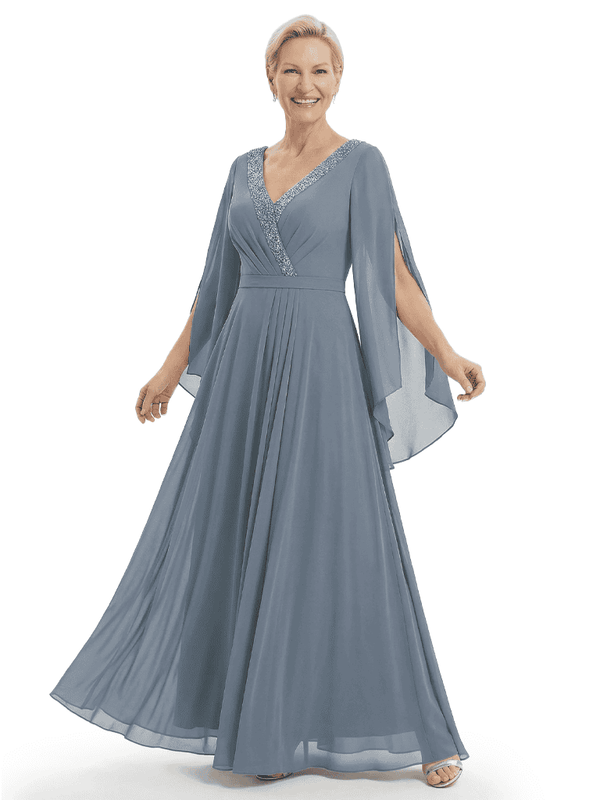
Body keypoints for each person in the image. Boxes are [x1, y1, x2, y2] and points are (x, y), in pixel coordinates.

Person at [50, 14, 485, 790]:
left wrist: (448, 354)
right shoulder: (242, 168)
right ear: (270, 79)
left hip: (322, 369)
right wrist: (165, 371)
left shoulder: (362, 163)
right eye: (292, 71)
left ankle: (425, 732)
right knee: (236, 534)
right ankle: (257, 729)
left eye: (320, 70)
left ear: (339, 78)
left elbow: (392, 277)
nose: (306, 84)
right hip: (244, 373)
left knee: (350, 543)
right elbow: (214, 287)